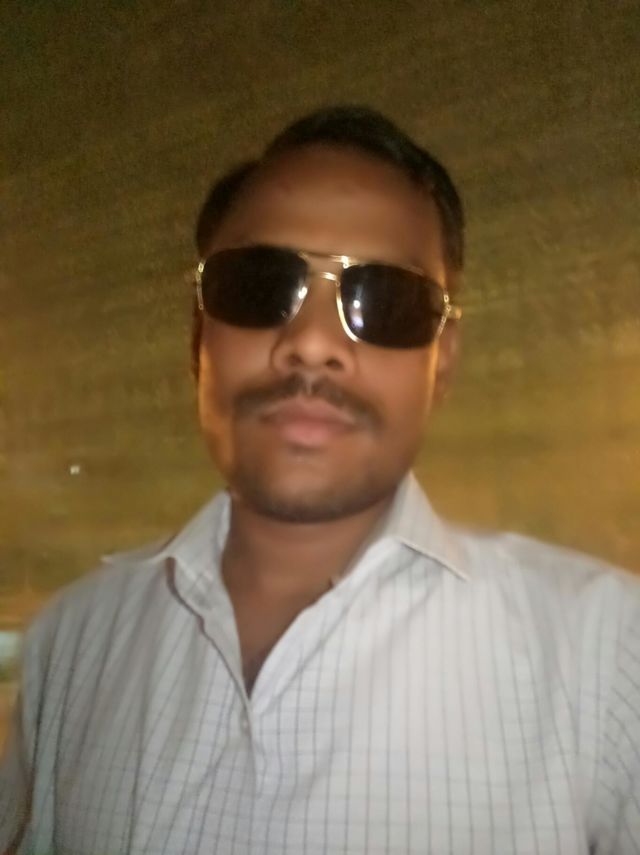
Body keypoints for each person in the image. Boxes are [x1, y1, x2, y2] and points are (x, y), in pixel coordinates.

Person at [1, 106, 639, 854]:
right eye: (259, 285)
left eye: (386, 300)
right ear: (200, 335)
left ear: (443, 363)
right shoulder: (74, 643)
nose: (310, 343)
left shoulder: (606, 656)